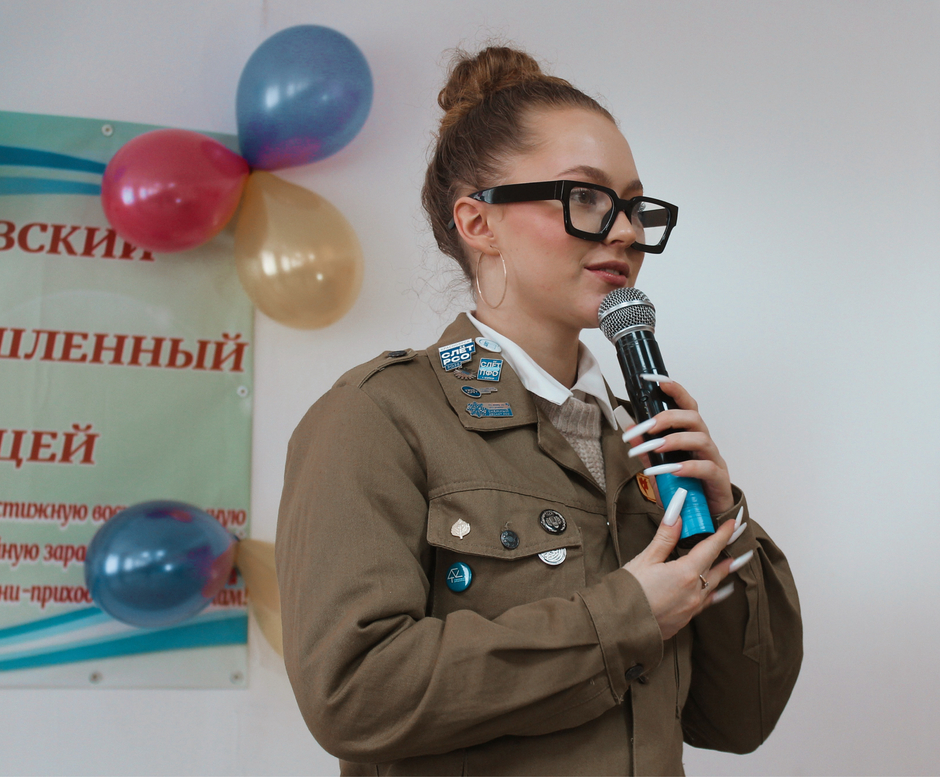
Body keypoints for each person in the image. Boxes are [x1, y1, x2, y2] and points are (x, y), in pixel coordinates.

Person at [275, 45, 803, 776]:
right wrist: (623, 618)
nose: (626, 232)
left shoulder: (643, 438)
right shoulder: (378, 418)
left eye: (633, 206)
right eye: (586, 198)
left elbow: (739, 718)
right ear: (478, 222)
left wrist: (726, 527)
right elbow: (353, 693)